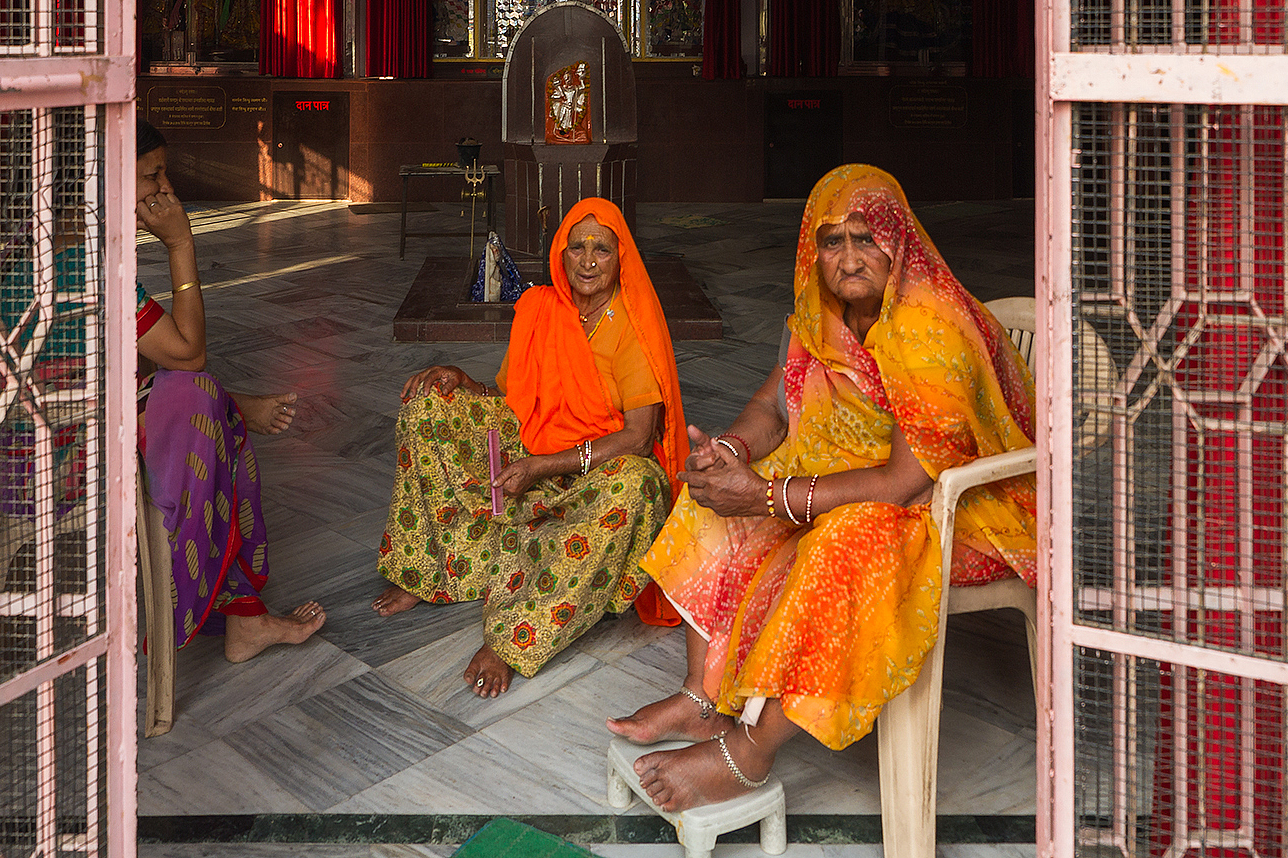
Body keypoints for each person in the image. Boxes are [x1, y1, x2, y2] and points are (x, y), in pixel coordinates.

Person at [608, 165, 1036, 808]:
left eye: (867, 238)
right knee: (712, 505)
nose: (849, 257)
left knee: (845, 545)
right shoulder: (820, 314)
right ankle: (704, 696)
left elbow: (902, 482)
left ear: (899, 242)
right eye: (832, 241)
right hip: (846, 474)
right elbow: (776, 406)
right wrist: (731, 453)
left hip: (959, 506)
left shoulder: (928, 329)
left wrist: (769, 496)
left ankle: (749, 752)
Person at [372, 198, 688, 697]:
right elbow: (510, 397)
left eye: (601, 249)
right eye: (576, 247)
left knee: (637, 485)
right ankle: (434, 569)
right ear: (559, 256)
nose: (587, 260)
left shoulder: (632, 325)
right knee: (431, 407)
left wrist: (544, 466)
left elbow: (639, 437)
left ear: (620, 257)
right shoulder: (543, 308)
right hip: (533, 449)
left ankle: (515, 635)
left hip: (597, 471)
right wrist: (462, 382)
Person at [134, 118, 324, 663]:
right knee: (201, 399)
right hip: (74, 449)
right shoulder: (87, 267)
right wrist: (181, 243)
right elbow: (189, 352)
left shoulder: (53, 245)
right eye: (153, 175)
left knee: (200, 396)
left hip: (58, 425)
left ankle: (231, 405)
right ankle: (243, 615)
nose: (165, 189)